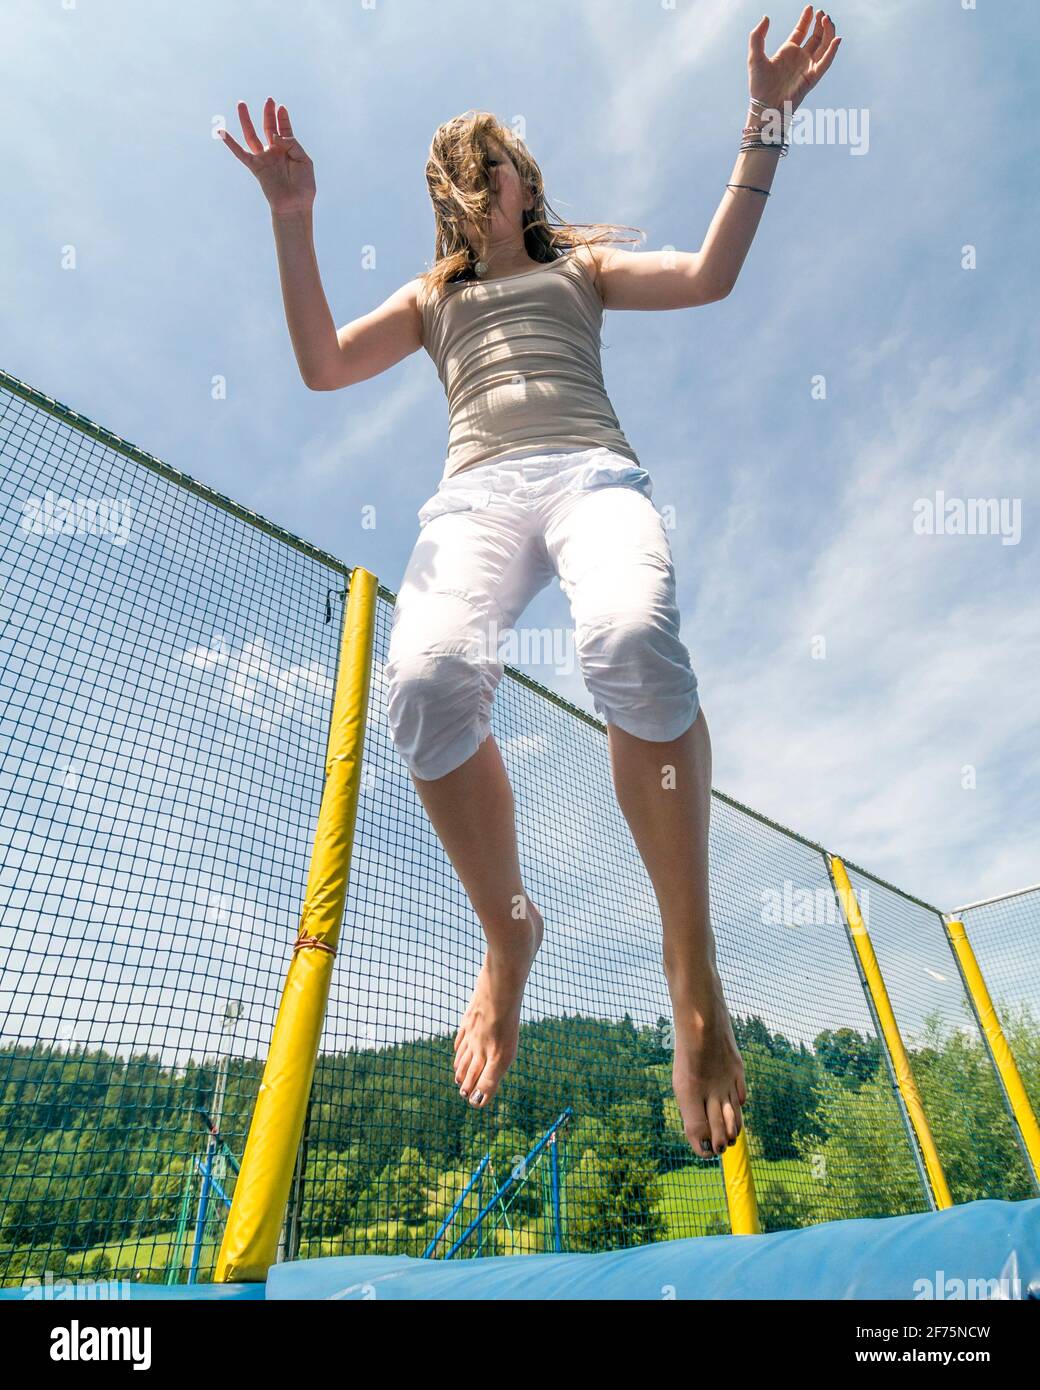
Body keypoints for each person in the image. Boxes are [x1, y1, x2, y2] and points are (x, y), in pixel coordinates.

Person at [219, 8, 841, 1159]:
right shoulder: (427, 299)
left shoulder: (580, 268)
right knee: (423, 678)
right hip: (475, 497)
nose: (465, 187)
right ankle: (509, 940)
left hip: (589, 472)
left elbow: (709, 274)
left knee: (629, 635)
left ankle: (685, 963)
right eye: (447, 177)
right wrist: (292, 221)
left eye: (482, 167)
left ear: (519, 183)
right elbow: (317, 366)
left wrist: (766, 119)